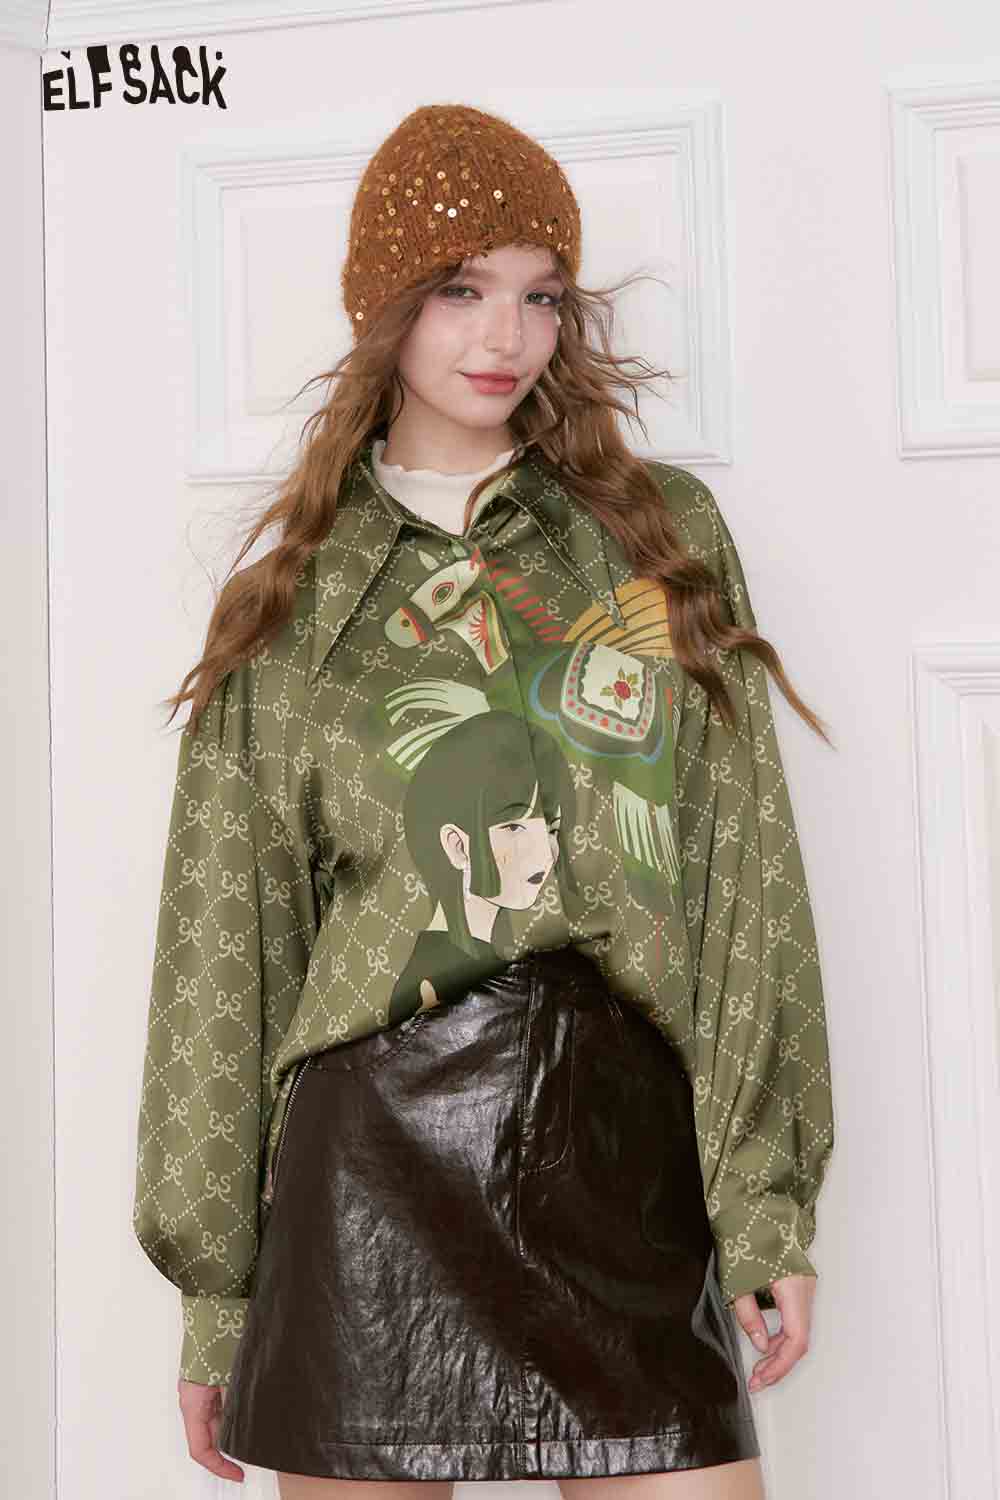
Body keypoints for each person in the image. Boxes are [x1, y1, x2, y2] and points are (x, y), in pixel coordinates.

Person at [131, 102, 836, 1498]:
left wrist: (763, 1205)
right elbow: (226, 950)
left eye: (540, 295)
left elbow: (740, 870)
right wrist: (217, 1295)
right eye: (460, 290)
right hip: (366, 1171)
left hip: (619, 1143)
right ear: (384, 306)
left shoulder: (656, 539)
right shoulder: (294, 601)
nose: (505, 336)